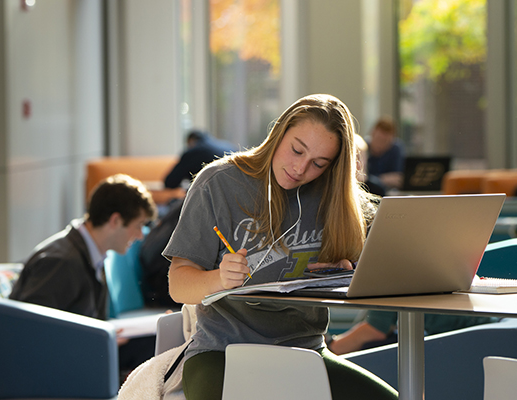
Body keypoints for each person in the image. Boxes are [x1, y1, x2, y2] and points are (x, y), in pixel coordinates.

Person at [165, 94, 398, 400]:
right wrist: (217, 279)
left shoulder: (334, 198)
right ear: (279, 132)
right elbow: (177, 284)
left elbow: (363, 271)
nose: (301, 169)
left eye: (318, 163)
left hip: (306, 353)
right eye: (296, 150)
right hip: (223, 353)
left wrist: (341, 273)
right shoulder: (218, 183)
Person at [9, 173, 158, 377]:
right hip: (57, 370)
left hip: (80, 355)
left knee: (158, 340)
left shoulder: (91, 254)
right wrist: (98, 340)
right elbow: (31, 336)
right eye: (139, 225)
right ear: (115, 220)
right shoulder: (61, 262)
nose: (140, 235)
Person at [327, 310, 498, 355]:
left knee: (371, 346)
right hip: (486, 332)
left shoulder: (390, 261)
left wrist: (329, 350)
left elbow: (375, 331)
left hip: (464, 341)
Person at [164, 129, 237, 189]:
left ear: (191, 141)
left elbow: (170, 182)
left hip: (213, 195)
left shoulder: (193, 152)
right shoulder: (229, 147)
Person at [367, 117, 405, 190]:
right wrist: (383, 179)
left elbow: (398, 178)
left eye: (385, 141)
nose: (380, 144)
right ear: (372, 134)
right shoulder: (362, 148)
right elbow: (360, 179)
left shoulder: (396, 149)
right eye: (379, 139)